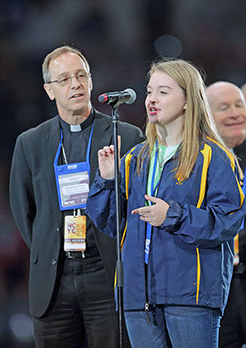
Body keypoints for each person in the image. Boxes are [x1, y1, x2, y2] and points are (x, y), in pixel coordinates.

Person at [86, 58, 246, 348]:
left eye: (163, 91)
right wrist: (108, 180)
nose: (151, 100)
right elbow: (111, 223)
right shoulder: (135, 158)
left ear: (187, 100)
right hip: (139, 295)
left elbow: (228, 221)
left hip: (190, 295)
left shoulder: (215, 157)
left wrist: (173, 216)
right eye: (149, 91)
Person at [9, 45, 145, 348]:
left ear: (92, 81)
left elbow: (136, 206)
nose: (75, 84)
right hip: (54, 278)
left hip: (106, 273)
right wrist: (50, 246)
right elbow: (23, 209)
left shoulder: (126, 135)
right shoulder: (30, 143)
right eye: (65, 79)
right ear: (49, 90)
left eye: (81, 75)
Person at [206, 81, 246, 348]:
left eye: (239, 105)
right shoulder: (200, 163)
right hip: (218, 286)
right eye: (224, 107)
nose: (235, 113)